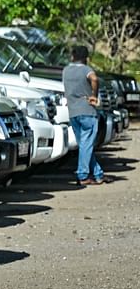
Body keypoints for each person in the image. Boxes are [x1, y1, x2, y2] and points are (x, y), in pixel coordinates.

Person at [62, 45, 107, 185]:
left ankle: (98, 174)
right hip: (87, 110)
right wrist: (94, 95)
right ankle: (83, 175)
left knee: (84, 145)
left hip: (73, 112)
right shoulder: (86, 70)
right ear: (86, 58)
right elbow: (94, 79)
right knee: (87, 144)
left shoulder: (66, 71)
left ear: (72, 56)